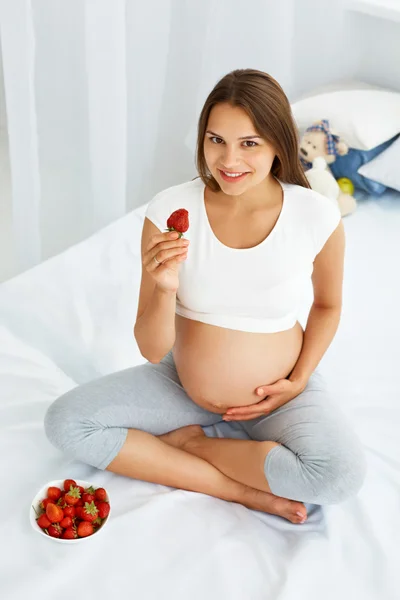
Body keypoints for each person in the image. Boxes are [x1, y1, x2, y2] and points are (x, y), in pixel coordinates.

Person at [44, 69, 367, 525]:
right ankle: (236, 488)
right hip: (183, 384)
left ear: (278, 144)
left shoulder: (316, 215)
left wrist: (298, 380)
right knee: (66, 422)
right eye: (216, 140)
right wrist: (165, 288)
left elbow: (328, 305)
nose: (229, 159)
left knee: (338, 476)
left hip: (281, 392)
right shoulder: (170, 211)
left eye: (249, 143)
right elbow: (153, 348)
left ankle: (193, 445)